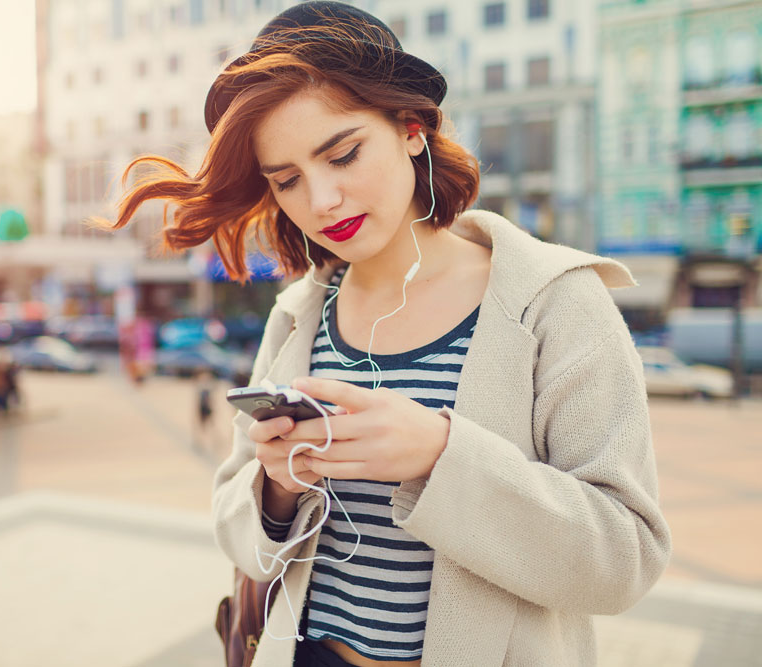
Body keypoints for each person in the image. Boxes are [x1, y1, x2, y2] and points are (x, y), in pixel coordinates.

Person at [105, 3, 671, 665]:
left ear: (410, 127)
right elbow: (239, 534)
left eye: (342, 154)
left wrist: (439, 455)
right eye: (286, 180)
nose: (321, 201)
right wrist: (277, 489)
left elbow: (624, 559)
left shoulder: (556, 301)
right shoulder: (298, 312)